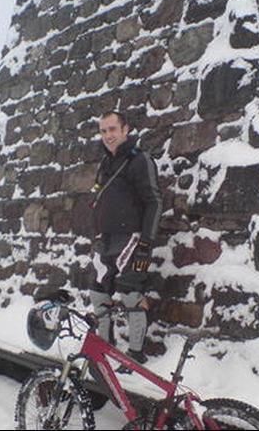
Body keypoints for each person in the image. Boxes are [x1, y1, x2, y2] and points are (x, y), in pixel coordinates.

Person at [89, 110, 162, 366]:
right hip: (106, 239)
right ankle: (104, 350)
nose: (108, 135)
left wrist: (146, 242)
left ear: (125, 129)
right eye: (103, 131)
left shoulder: (140, 160)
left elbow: (154, 201)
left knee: (131, 296)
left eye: (112, 129)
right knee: (98, 294)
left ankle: (135, 357)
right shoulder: (105, 164)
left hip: (133, 239)